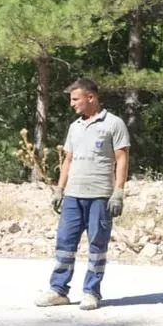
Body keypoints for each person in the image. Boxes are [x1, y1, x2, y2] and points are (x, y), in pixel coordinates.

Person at [36, 78, 130, 311]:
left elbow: (122, 158)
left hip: (100, 195)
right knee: (64, 244)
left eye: (75, 99)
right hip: (73, 196)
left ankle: (91, 292)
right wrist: (59, 189)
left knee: (98, 246)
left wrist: (118, 192)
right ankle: (58, 290)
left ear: (91, 97)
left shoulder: (114, 124)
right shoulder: (75, 126)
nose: (72, 104)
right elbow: (68, 160)